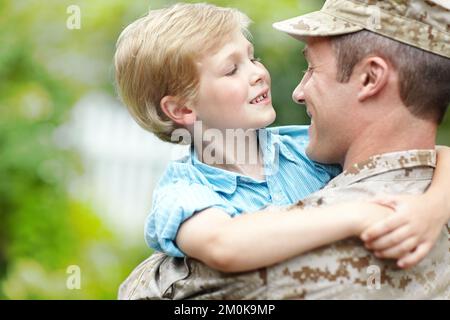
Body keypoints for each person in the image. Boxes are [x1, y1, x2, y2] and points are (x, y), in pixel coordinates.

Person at [117, 0, 450, 299]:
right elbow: (224, 246)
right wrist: (358, 215)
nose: (259, 74)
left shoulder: (301, 147)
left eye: (252, 57)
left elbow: (437, 154)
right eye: (232, 69)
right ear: (182, 110)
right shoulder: (183, 192)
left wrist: (432, 209)